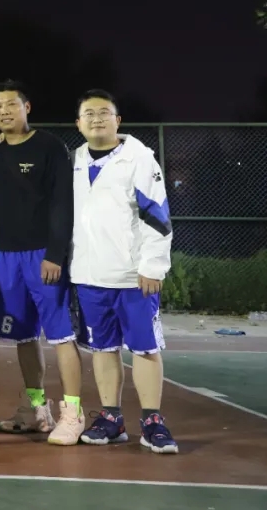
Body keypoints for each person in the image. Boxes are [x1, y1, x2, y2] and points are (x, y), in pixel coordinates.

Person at [70, 89, 178, 453]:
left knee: (145, 348)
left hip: (134, 276)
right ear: (78, 123)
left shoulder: (140, 158)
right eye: (89, 113)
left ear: (118, 120)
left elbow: (157, 217)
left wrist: (153, 266)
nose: (97, 118)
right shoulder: (74, 160)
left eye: (104, 112)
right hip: (89, 275)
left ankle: (152, 421)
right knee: (103, 348)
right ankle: (111, 419)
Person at [0, 79, 84, 445]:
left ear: (27, 107)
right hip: (7, 257)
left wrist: (55, 253)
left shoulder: (50, 147)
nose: (4, 111)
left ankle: (72, 413)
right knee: (24, 337)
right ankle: (37, 409)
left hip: (42, 255)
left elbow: (62, 203)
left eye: (11, 104)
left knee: (61, 336)